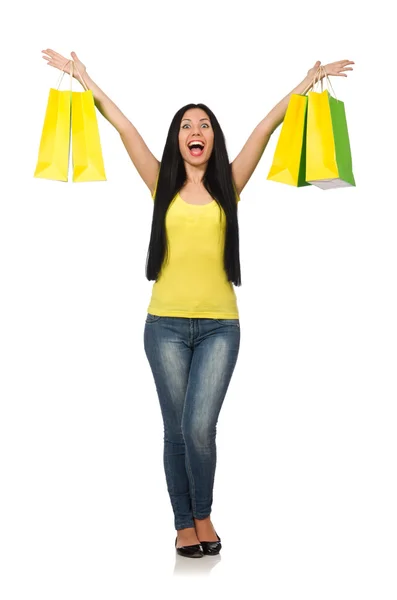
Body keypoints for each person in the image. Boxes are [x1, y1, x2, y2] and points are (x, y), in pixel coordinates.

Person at [41, 49, 354, 558]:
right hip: (162, 325)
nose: (196, 130)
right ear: (178, 139)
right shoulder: (159, 182)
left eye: (204, 124)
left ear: (212, 137)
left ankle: (202, 513)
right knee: (175, 430)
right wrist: (86, 80)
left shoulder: (229, 184)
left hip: (219, 328)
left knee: (198, 428)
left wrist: (305, 83)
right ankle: (184, 524)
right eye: (187, 124)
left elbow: (265, 128)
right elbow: (125, 130)